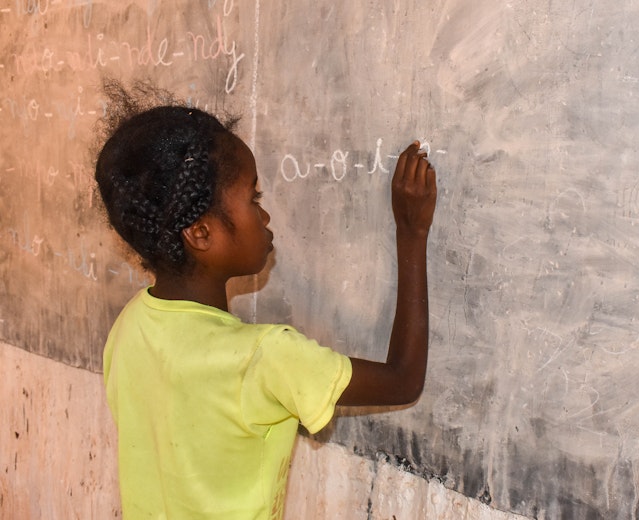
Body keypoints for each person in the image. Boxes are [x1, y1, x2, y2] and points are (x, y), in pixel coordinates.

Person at [94, 82, 437, 520]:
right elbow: (404, 380)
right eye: (253, 198)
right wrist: (412, 232)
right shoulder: (264, 358)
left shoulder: (129, 328)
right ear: (201, 233)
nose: (265, 215)